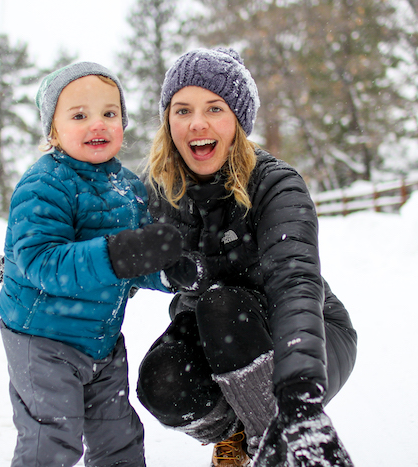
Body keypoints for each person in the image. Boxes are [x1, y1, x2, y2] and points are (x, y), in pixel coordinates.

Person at [135, 47, 358, 467]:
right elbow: (115, 258)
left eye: (214, 108)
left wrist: (299, 394)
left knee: (223, 304)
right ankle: (240, 432)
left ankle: (280, 443)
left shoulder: (276, 185)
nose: (197, 123)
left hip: (307, 340)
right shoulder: (158, 192)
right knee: (161, 381)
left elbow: (295, 285)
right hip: (215, 338)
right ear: (168, 122)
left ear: (238, 120)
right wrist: (49, 276)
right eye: (182, 110)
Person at [0, 61, 205, 467]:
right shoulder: (44, 184)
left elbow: (133, 261)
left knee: (118, 436)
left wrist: (165, 272)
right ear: (53, 131)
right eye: (79, 115)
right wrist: (118, 252)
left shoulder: (129, 187)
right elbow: (41, 261)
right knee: (52, 439)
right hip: (42, 339)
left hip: (102, 341)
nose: (97, 125)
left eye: (109, 113)